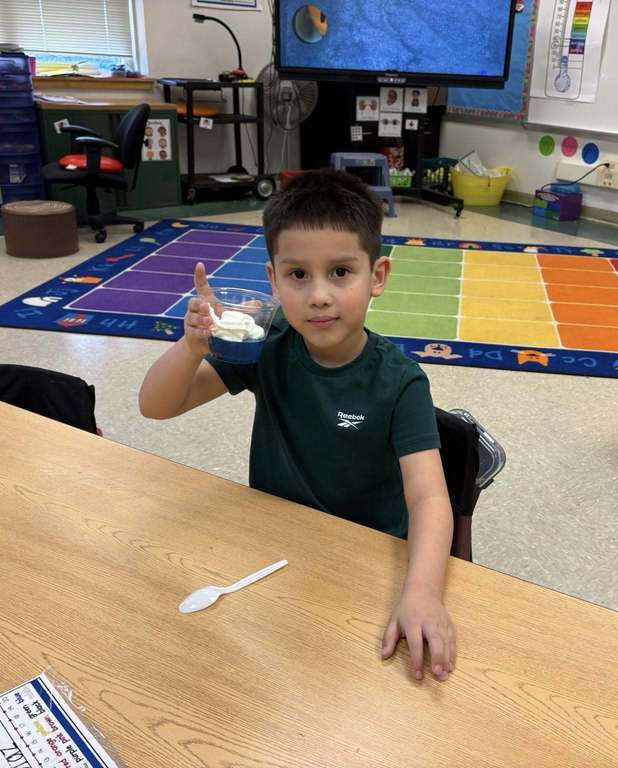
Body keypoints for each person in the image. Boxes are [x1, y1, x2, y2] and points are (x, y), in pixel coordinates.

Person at [139, 169, 455, 681]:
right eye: (298, 275)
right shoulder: (269, 345)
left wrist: (421, 592)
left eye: (340, 272)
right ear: (273, 279)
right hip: (271, 552)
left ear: (378, 277)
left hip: (361, 563)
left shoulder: (401, 381)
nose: (319, 296)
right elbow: (157, 406)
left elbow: (430, 498)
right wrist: (194, 345)